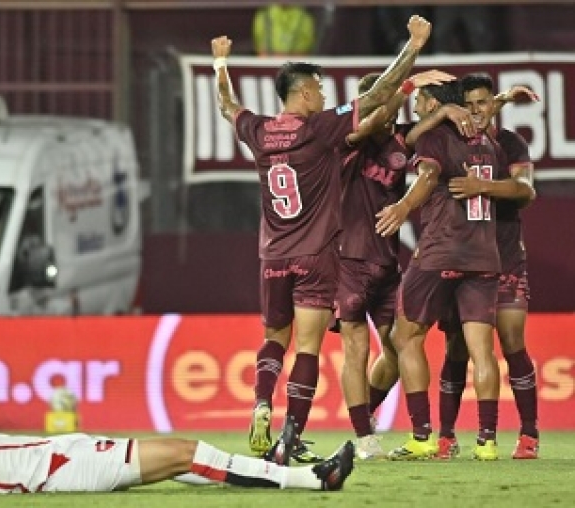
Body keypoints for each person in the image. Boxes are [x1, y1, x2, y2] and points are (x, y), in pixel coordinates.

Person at [211, 14, 432, 465]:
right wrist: (411, 49)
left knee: (274, 337)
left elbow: (226, 106)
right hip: (317, 257)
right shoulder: (317, 129)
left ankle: (260, 403)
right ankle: (290, 436)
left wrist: (220, 66)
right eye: (320, 88)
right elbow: (374, 96)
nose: (325, 95)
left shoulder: (256, 130)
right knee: (308, 347)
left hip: (272, 255)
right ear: (306, 92)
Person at [334, 70, 471, 460]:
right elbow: (376, 117)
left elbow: (419, 131)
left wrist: (445, 106)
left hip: (388, 263)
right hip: (349, 259)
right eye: (381, 102)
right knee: (356, 348)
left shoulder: (400, 139)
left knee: (399, 347)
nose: (392, 112)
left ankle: (377, 416)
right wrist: (409, 84)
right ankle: (363, 436)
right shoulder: (349, 141)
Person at [375, 79, 503, 461]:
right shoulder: (490, 144)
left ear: (434, 103)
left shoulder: (436, 138)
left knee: (405, 336)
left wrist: (402, 207)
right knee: (482, 351)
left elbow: (428, 175)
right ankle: (487, 441)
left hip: (441, 253)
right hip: (484, 256)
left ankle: (422, 435)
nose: (415, 108)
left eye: (420, 101)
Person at [0, 417, 356, 493]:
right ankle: (312, 481)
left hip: (55, 456)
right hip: (56, 473)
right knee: (186, 453)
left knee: (183, 463)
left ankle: (289, 471)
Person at [436, 74, 539, 460]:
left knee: (512, 343)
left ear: (493, 104)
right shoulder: (450, 143)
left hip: (506, 259)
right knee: (456, 349)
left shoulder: (510, 143)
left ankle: (529, 434)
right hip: (462, 262)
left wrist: (482, 187)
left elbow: (525, 190)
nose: (476, 112)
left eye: (483, 103)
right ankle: (446, 436)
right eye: (469, 104)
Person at [252, 3, 316, 56]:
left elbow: (304, 53)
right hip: (269, 68)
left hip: (296, 69)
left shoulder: (305, 17)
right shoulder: (263, 15)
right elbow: (261, 52)